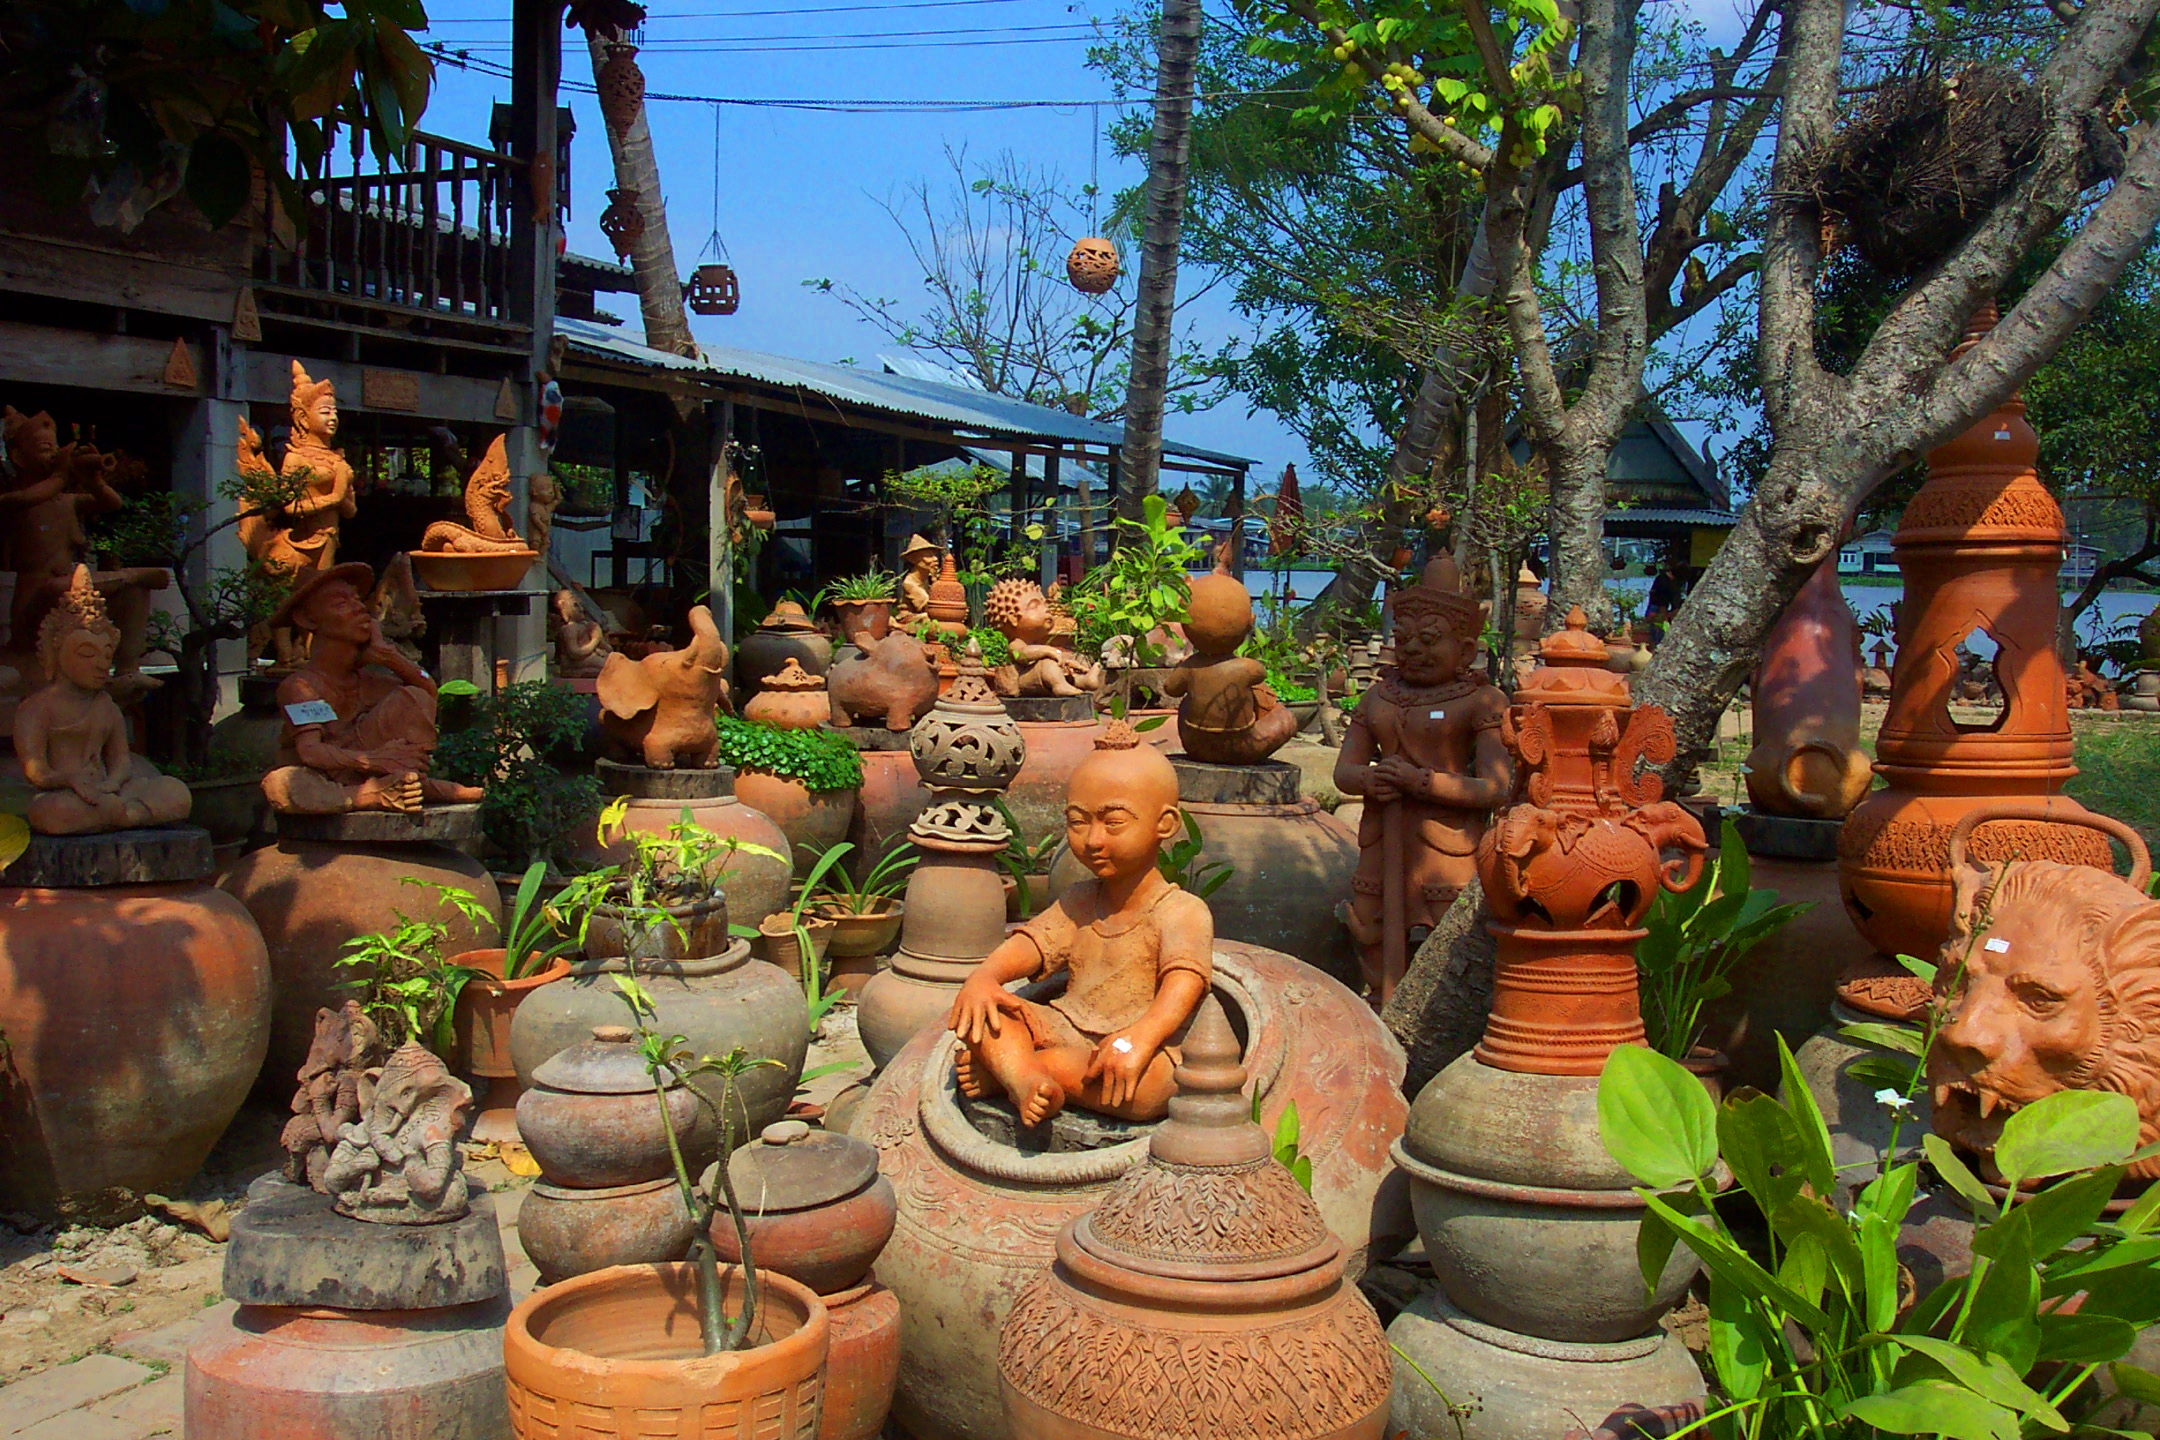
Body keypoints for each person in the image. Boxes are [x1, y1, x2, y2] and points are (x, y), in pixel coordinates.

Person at [947, 724, 1212, 1126]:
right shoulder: (1079, 899)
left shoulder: (1182, 911)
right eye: (1077, 822)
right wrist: (985, 977)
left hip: (1135, 1047)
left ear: (1166, 824)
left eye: (1114, 823)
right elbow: (1031, 945)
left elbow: (1183, 987)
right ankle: (1028, 1078)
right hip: (1063, 1028)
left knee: (1152, 1091)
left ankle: (1017, 1073)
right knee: (989, 1015)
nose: (1093, 839)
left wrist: (1139, 1038)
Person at [260, 563, 485, 815]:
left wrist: (389, 656)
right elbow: (310, 752)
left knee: (413, 695)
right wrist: (377, 760)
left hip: (370, 768)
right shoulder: (301, 686)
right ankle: (371, 795)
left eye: (357, 600)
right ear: (308, 619)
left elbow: (427, 689)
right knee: (282, 784)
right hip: (326, 778)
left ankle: (407, 782)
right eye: (341, 603)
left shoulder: (369, 680)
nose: (359, 608)